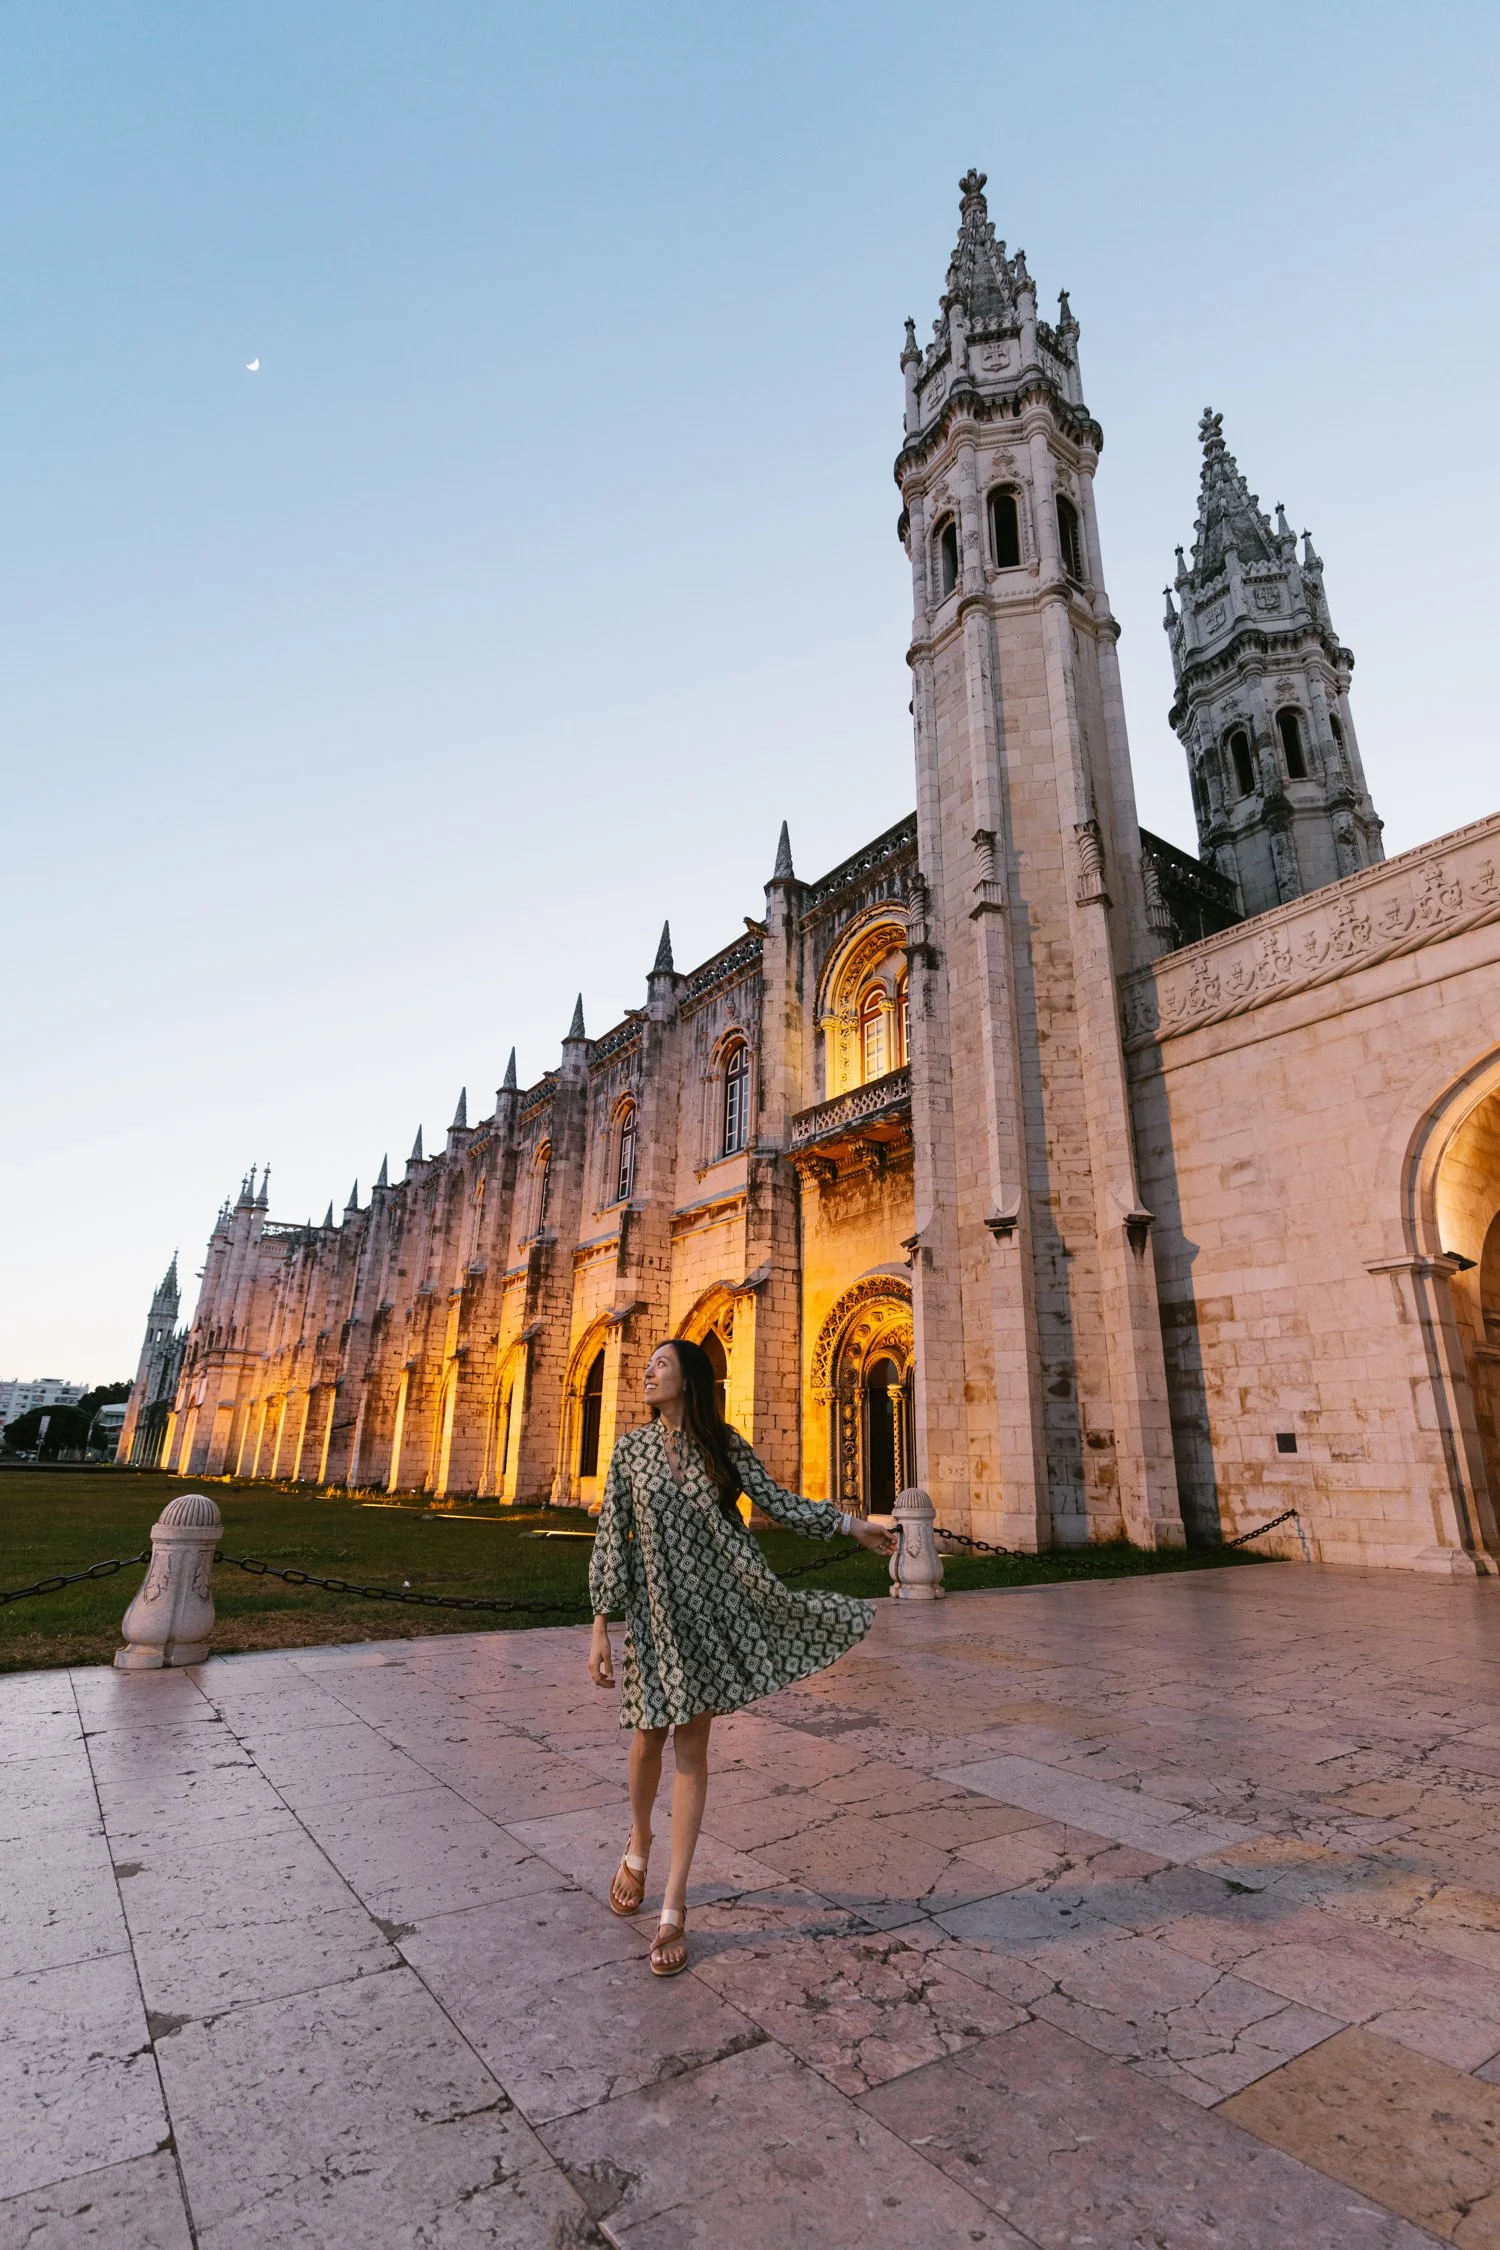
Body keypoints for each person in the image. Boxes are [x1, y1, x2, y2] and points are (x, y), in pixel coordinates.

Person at [587, 1337, 895, 1976]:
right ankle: (639, 1842)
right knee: (647, 1740)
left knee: (692, 1751)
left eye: (661, 1364)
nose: (648, 1371)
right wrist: (600, 1627)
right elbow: (612, 1535)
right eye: (649, 1364)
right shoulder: (631, 1450)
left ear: (689, 1379)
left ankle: (673, 1904)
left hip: (712, 1613)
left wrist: (850, 1525)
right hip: (654, 1615)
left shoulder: (722, 1445)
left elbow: (776, 1501)